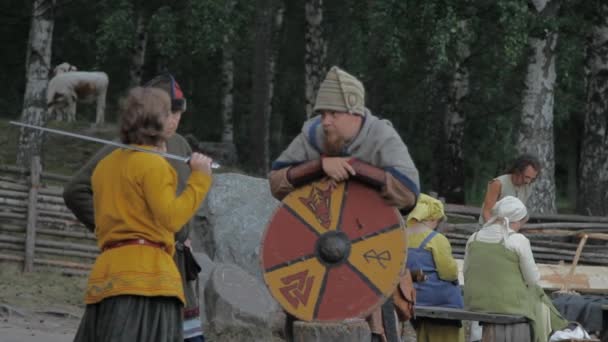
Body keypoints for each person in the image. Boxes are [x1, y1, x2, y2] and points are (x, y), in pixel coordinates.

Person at [269, 66, 420, 342]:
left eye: (333, 114)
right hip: (314, 255)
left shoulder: (381, 137)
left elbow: (408, 194)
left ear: (355, 113)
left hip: (370, 252)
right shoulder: (313, 136)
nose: (325, 121)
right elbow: (277, 182)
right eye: (323, 114)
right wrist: (320, 165)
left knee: (376, 330)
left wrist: (356, 168)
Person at [64, 74, 209, 342]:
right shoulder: (151, 162)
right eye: (170, 112)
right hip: (148, 276)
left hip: (111, 272)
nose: (176, 119)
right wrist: (201, 179)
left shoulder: (108, 166)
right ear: (154, 118)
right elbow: (172, 219)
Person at [464, 196, 568, 342]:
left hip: (475, 303)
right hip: (508, 306)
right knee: (539, 296)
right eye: (521, 223)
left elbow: (466, 272)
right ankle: (560, 332)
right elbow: (532, 279)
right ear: (515, 221)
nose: (521, 227)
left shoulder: (473, 238)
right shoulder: (518, 240)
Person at [405, 194, 464, 342]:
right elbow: (449, 273)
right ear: (432, 219)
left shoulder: (402, 237)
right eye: (437, 221)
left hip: (412, 297)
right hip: (438, 300)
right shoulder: (437, 239)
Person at [479, 154, 541, 224]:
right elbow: (486, 212)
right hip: (491, 226)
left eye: (532, 179)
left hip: (512, 227)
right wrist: (495, 229)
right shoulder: (498, 183)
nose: (528, 181)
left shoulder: (528, 186)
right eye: (526, 177)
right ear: (518, 171)